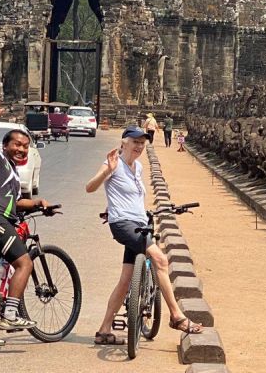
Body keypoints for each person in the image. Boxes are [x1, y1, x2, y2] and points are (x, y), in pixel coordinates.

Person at [85, 125, 204, 345]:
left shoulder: (138, 167)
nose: (139, 146)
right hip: (123, 224)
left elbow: (134, 199)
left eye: (142, 142)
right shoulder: (113, 164)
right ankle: (177, 316)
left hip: (140, 223)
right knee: (160, 259)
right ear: (124, 143)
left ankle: (103, 331)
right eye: (135, 142)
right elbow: (90, 188)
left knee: (125, 280)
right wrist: (106, 171)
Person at [0, 97, 50, 345]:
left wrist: (38, 203)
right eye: (17, 144)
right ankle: (11, 313)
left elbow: (17, 203)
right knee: (24, 264)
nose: (22, 149)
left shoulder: (13, 174)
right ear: (5, 146)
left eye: (26, 146)